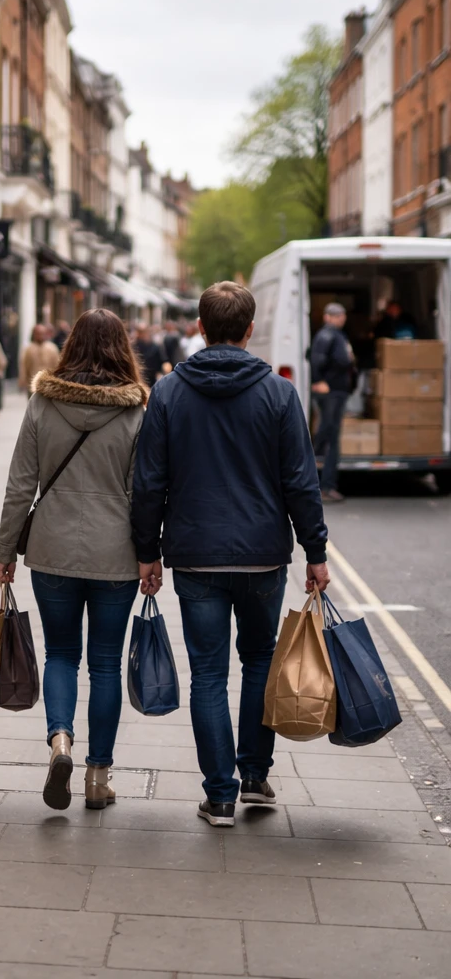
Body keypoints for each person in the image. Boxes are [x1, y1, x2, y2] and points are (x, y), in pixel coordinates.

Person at [131, 281, 329, 829]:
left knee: (209, 675)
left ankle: (219, 796)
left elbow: (149, 482)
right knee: (260, 660)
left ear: (200, 327)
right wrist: (315, 551)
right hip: (263, 555)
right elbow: (301, 482)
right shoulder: (279, 394)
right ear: (249, 329)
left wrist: (147, 550)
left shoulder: (168, 392)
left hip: (196, 555)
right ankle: (255, 777)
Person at [0, 309, 146, 812]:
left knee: (60, 654)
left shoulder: (42, 403)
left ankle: (60, 740)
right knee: (105, 664)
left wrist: (4, 550)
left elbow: (20, 485)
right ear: (123, 348)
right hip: (115, 553)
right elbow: (144, 494)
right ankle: (98, 777)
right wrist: (150, 555)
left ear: (71, 344)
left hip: (52, 549)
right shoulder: (136, 412)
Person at [310, 302, 357, 503]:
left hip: (337, 391)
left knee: (328, 436)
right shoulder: (327, 335)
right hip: (331, 392)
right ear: (327, 317)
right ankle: (324, 486)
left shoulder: (337, 335)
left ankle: (323, 485)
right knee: (328, 438)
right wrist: (318, 381)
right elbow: (316, 360)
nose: (341, 319)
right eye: (337, 315)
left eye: (342, 315)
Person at [19, 324, 61, 393]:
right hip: (32, 385)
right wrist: (22, 382)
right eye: (38, 333)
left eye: (42, 333)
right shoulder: (28, 349)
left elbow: (57, 365)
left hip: (49, 385)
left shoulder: (52, 348)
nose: (41, 336)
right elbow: (24, 367)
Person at [133, 323, 171, 388]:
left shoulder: (155, 347)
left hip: (152, 380)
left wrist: (166, 373)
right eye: (140, 332)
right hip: (137, 380)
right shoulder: (133, 347)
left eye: (144, 332)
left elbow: (164, 361)